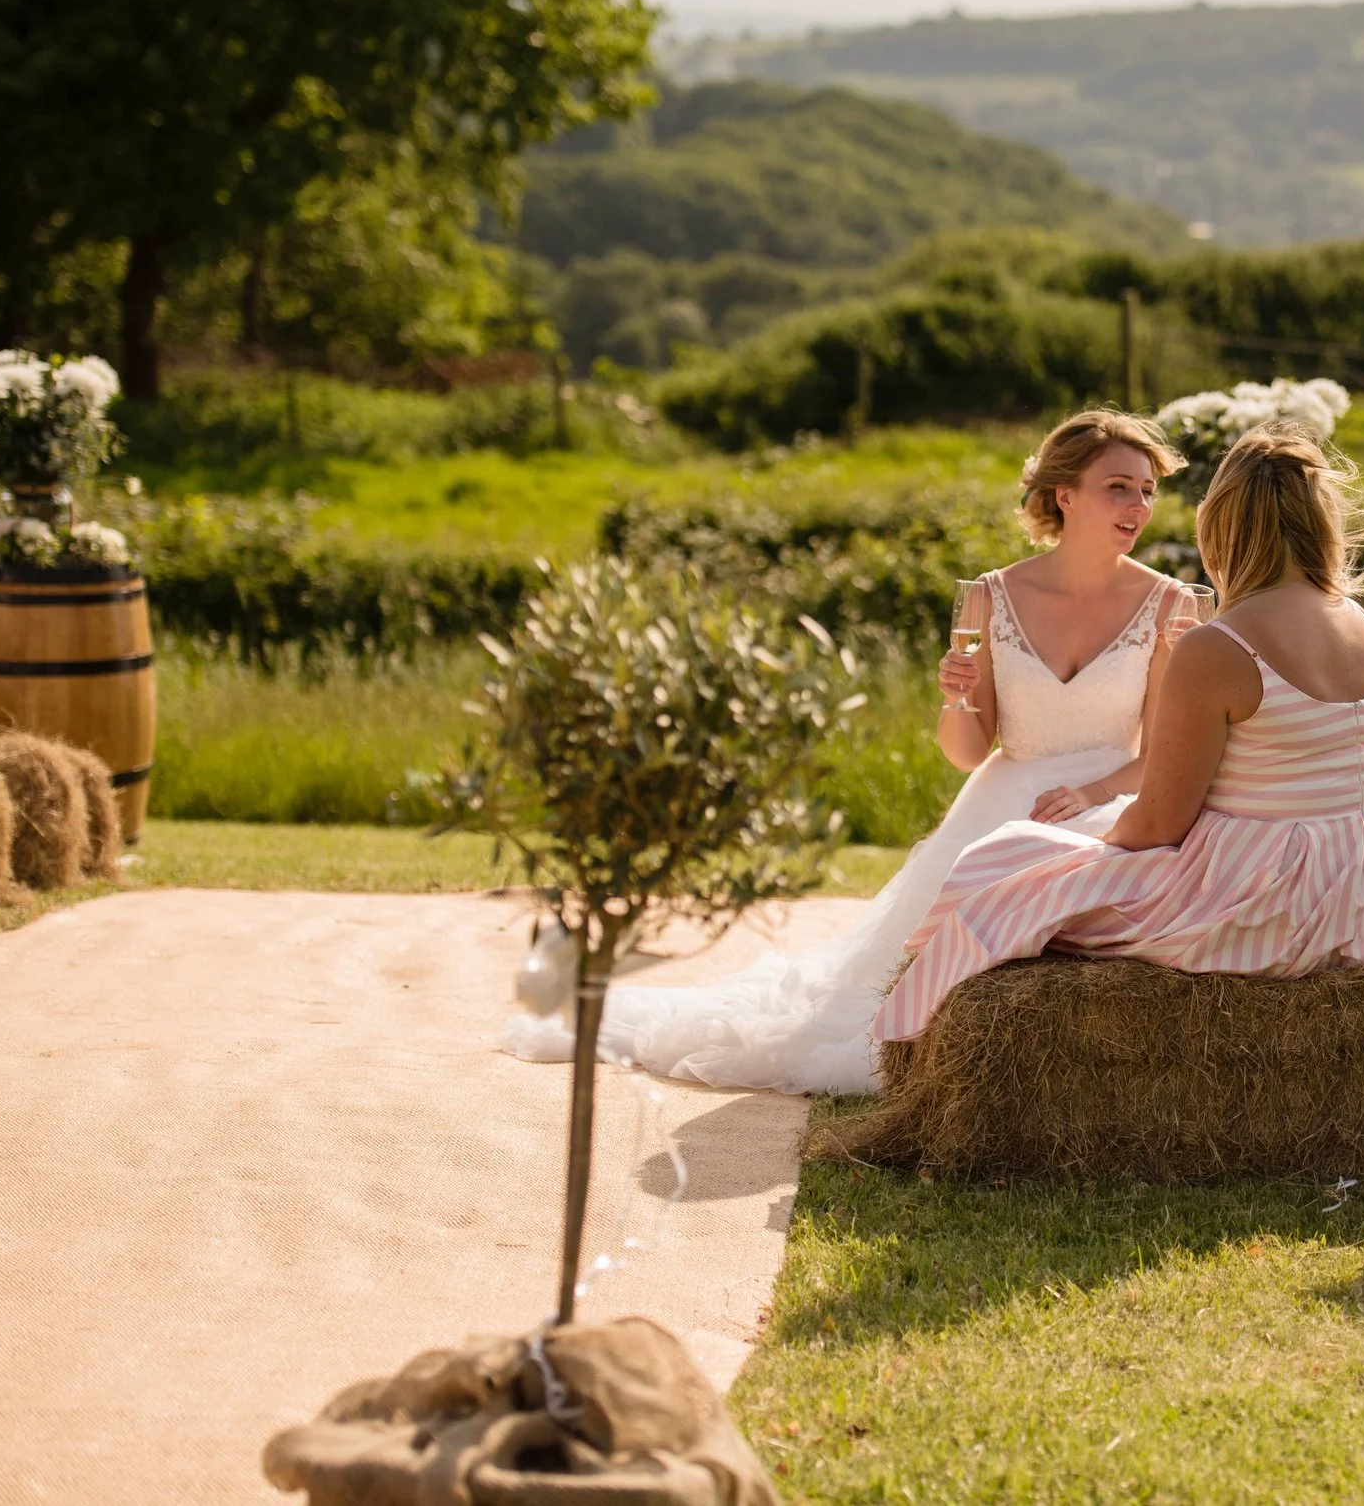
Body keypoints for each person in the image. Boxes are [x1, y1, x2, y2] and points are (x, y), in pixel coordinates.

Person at [503, 408, 1198, 1093]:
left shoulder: (1173, 604)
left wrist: (1091, 795)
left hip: (1111, 804)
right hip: (998, 804)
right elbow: (965, 750)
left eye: (1146, 489)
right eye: (1119, 485)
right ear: (1064, 494)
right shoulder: (990, 596)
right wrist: (952, 694)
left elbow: (1164, 748)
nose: (1138, 503)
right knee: (876, 998)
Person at [873, 426, 1364, 1041]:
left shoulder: (1219, 645)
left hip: (1276, 897)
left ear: (1222, 524)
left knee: (1003, 861)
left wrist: (1089, 842)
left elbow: (1159, 825)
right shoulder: (1360, 621)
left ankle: (916, 1033)